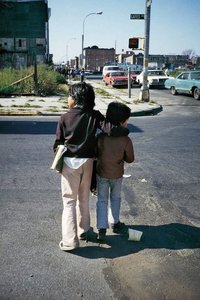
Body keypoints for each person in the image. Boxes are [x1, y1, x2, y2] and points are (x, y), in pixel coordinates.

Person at [53, 82, 105, 251]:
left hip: (69, 163)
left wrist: (59, 161)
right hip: (88, 162)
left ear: (75, 99)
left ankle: (70, 241)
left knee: (69, 201)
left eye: (69, 96)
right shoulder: (95, 115)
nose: (67, 99)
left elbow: (58, 143)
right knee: (84, 199)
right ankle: (85, 230)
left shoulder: (64, 118)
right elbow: (109, 129)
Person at [96, 102, 135, 241]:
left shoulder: (100, 137)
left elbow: (96, 154)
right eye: (126, 121)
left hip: (101, 173)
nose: (127, 123)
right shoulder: (126, 140)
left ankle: (101, 228)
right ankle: (115, 222)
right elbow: (130, 159)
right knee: (116, 198)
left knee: (102, 200)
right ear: (121, 121)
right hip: (117, 175)